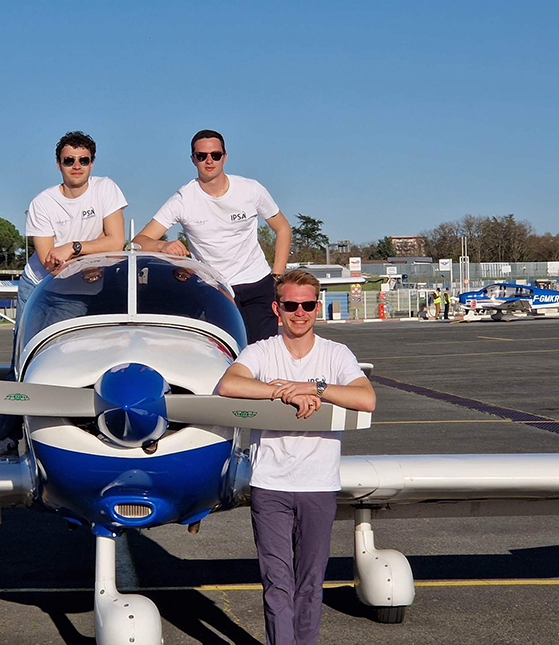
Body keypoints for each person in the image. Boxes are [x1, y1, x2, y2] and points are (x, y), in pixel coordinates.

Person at [216, 270, 376, 645]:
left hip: (319, 485)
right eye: (291, 305)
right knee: (276, 583)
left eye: (307, 305)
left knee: (309, 584)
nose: (299, 312)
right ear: (277, 308)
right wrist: (281, 393)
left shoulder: (336, 354)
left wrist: (314, 387)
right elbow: (229, 384)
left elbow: (366, 398)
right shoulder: (261, 351)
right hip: (271, 485)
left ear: (317, 308)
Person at [0, 131, 127, 458]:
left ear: (92, 162)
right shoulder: (43, 202)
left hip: (80, 292)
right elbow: (50, 261)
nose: (77, 166)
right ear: (58, 164)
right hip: (37, 284)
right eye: (69, 161)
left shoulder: (106, 189)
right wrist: (86, 255)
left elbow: (116, 241)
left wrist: (73, 247)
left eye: (84, 160)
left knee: (50, 364)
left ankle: (0, 436)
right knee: (22, 360)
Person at [132, 129, 292, 344]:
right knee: (220, 358)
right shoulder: (183, 199)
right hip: (214, 289)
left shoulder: (251, 190)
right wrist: (162, 246)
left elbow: (282, 228)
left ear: (224, 157)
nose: (209, 161)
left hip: (257, 285)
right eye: (202, 156)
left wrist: (277, 277)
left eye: (215, 155)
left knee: (261, 359)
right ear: (193, 159)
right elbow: (138, 243)